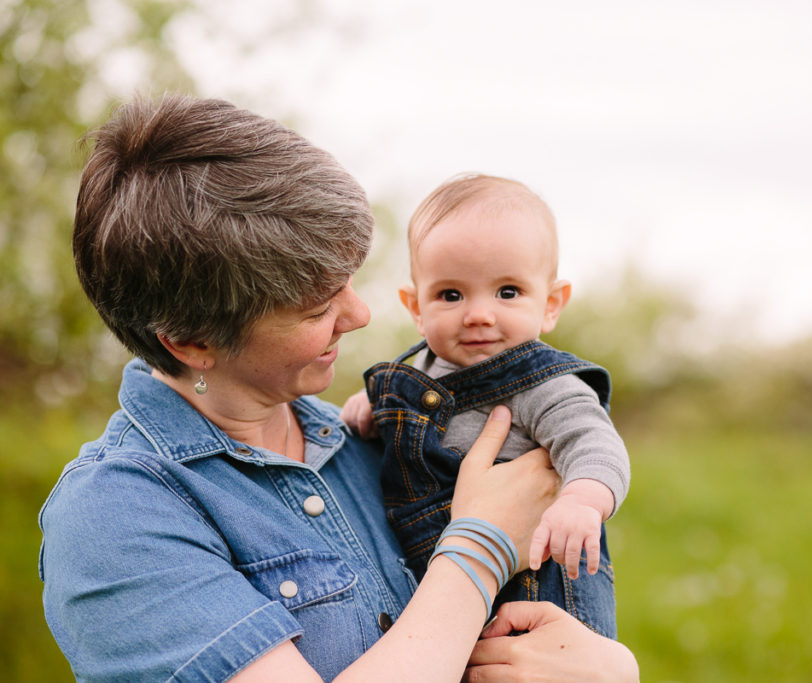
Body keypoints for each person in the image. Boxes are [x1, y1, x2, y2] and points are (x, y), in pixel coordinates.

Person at [38, 93, 638, 682]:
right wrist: (480, 548)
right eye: (317, 306)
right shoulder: (115, 518)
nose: (359, 315)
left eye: (348, 281)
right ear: (191, 341)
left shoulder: (372, 442)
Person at [341, 174, 629, 638]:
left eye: (508, 292)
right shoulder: (416, 378)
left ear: (551, 303)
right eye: (450, 295)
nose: (478, 313)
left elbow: (594, 443)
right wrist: (373, 405)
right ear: (415, 306)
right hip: (436, 591)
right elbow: (411, 407)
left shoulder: (543, 385)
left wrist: (581, 500)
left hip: (533, 592)